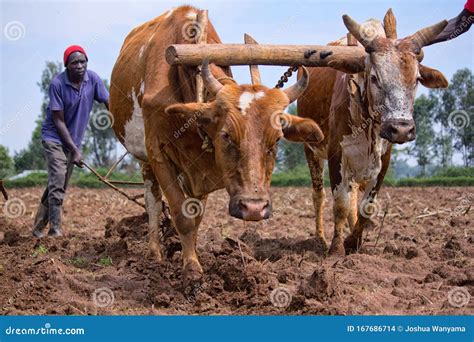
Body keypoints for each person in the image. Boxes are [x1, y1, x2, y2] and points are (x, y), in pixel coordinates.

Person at [32, 45, 109, 238]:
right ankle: (55, 229)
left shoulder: (93, 79)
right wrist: (74, 150)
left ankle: (37, 228)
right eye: (75, 63)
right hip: (54, 138)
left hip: (73, 141)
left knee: (59, 184)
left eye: (83, 62)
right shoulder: (57, 84)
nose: (80, 66)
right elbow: (58, 120)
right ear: (67, 65)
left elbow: (109, 102)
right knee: (58, 177)